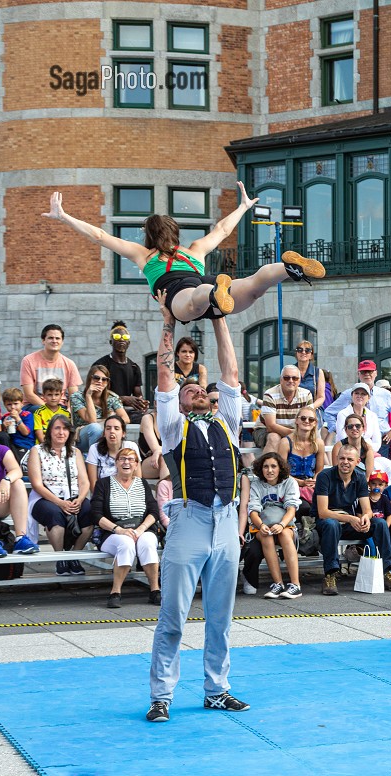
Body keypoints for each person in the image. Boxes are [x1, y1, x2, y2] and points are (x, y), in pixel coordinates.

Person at [146, 298, 249, 724]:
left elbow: (231, 373)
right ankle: (161, 695)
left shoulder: (228, 417)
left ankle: (217, 690)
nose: (193, 390)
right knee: (173, 616)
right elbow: (166, 375)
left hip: (226, 521)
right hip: (188, 519)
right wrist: (168, 323)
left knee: (221, 617)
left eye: (197, 388)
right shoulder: (173, 425)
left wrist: (220, 318)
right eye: (187, 391)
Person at [42, 185, 324, 323]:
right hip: (203, 275)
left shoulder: (145, 256)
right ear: (175, 234)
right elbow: (223, 230)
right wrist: (243, 207)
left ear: (149, 237)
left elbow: (101, 236)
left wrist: (65, 217)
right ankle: (287, 270)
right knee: (253, 287)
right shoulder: (194, 250)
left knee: (192, 304)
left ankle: (213, 294)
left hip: (177, 288)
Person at [314, 445, 391, 596]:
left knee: (380, 523)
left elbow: (367, 510)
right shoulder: (325, 476)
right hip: (328, 522)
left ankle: (388, 571)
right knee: (331, 524)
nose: (345, 462)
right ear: (337, 459)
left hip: (350, 523)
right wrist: (351, 518)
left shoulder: (360, 477)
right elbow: (323, 512)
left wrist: (366, 518)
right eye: (342, 458)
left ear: (357, 461)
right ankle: (330, 575)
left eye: (350, 459)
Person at [90, 442, 162, 608]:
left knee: (148, 542)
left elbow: (154, 511)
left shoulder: (142, 484)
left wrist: (141, 529)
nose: (126, 463)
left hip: (141, 529)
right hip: (113, 532)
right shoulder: (104, 484)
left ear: (137, 464)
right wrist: (119, 530)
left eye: (131, 459)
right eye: (122, 459)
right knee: (126, 543)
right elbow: (96, 514)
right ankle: (116, 592)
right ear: (116, 463)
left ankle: (155, 590)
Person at [27, 414, 90, 575]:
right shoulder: (37, 451)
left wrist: (80, 499)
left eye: (65, 428)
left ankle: (73, 556)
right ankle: (60, 556)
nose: (61, 432)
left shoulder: (74, 452)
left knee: (90, 512)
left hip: (73, 497)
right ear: (49, 431)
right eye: (57, 428)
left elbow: (84, 481)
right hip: (46, 498)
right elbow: (37, 484)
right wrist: (59, 502)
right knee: (54, 514)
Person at [0, 412, 39, 558]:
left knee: (17, 482)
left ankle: (21, 538)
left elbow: (16, 470)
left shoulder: (0, 450)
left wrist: (6, 481)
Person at [247, 451, 302, 599]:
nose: (269, 470)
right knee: (266, 536)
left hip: (285, 525)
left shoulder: (290, 482)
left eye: (273, 466)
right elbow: (253, 510)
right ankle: (278, 584)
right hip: (263, 524)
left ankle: (295, 585)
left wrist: (282, 525)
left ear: (280, 468)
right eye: (266, 467)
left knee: (284, 534)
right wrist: (261, 525)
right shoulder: (256, 485)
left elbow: (292, 508)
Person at [274, 407, 327, 518]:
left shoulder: (319, 443)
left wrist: (314, 480)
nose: (307, 421)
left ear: (315, 423)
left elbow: (319, 470)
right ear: (297, 421)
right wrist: (301, 483)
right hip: (289, 484)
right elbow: (281, 473)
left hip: (311, 485)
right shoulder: (285, 442)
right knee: (304, 508)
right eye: (303, 418)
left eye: (311, 419)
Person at [92, 321, 148, 416]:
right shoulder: (100, 365)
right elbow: (95, 394)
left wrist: (141, 402)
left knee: (150, 416)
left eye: (125, 337)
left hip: (127, 411)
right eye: (117, 337)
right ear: (111, 342)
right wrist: (122, 399)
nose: (121, 339)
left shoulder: (134, 367)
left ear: (128, 343)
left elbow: (138, 394)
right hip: (106, 410)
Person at [20, 324, 82, 407]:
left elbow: (74, 395)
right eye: (50, 338)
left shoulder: (69, 364)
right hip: (34, 405)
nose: (54, 341)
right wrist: (49, 411)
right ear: (43, 340)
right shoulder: (28, 361)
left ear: (62, 342)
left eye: (57, 338)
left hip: (60, 406)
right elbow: (29, 394)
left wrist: (69, 410)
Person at [256, 365, 313, 450]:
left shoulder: (306, 394)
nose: (291, 381)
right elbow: (270, 426)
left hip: (296, 431)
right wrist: (294, 434)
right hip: (266, 430)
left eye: (294, 378)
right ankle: (269, 463)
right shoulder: (270, 394)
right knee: (274, 438)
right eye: (287, 378)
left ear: (299, 381)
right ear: (281, 380)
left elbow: (309, 420)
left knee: (316, 439)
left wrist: (299, 434)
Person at [334, 382, 384, 454]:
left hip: (369, 452)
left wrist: (368, 451)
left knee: (388, 464)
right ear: (352, 395)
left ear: (368, 398)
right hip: (347, 453)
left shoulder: (372, 416)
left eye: (363, 394)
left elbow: (377, 442)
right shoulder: (342, 414)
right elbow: (343, 438)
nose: (359, 396)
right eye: (357, 393)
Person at [332, 412, 379, 477]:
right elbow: (336, 471)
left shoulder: (368, 448)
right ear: (346, 430)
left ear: (363, 428)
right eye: (350, 426)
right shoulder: (338, 446)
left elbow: (368, 476)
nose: (354, 428)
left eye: (358, 426)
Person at [85, 414, 126, 485]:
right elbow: (93, 484)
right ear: (104, 433)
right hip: (101, 493)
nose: (112, 431)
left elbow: (137, 479)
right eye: (108, 428)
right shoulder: (94, 449)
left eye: (116, 428)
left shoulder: (131, 447)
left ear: (123, 433)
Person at [31, 378, 70, 446]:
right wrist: (51, 447)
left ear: (61, 395)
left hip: (62, 446)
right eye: (49, 395)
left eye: (56, 394)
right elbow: (39, 434)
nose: (53, 398)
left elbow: (68, 433)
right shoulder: (39, 413)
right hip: (44, 446)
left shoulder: (66, 414)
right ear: (43, 396)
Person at [291, 340, 327, 414]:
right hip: (293, 409)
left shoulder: (318, 372)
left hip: (313, 410)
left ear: (311, 355)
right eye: (300, 350)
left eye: (307, 350)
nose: (303, 352)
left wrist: (310, 408)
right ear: (296, 353)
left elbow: (321, 397)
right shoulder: (290, 370)